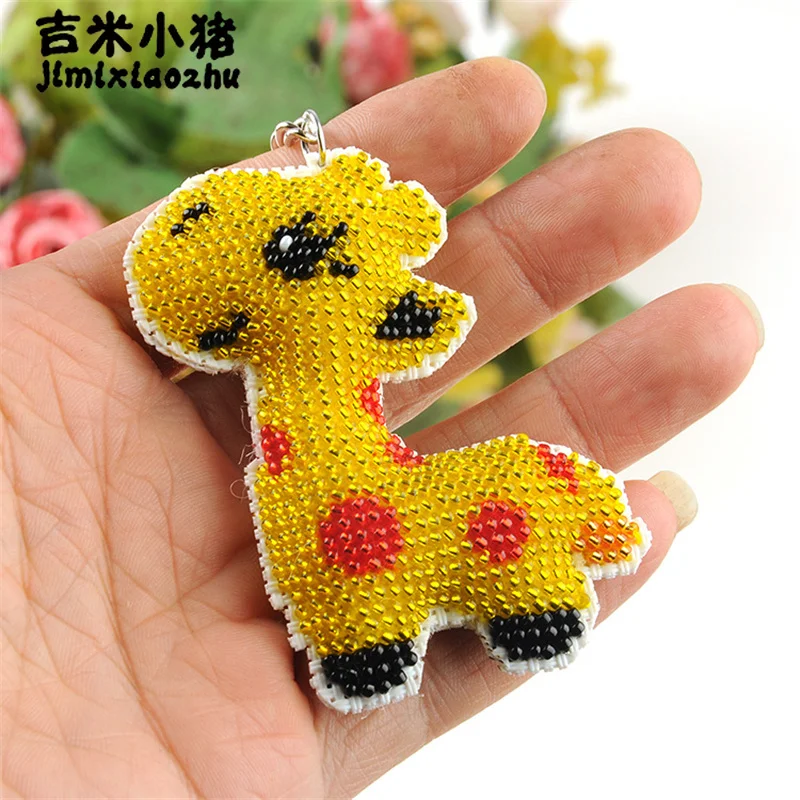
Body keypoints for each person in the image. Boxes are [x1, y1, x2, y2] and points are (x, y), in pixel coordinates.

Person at [0, 59, 762, 798]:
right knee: (347, 592)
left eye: (299, 255)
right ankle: (371, 639)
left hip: (442, 517)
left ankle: (518, 598)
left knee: (420, 581)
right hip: (326, 510)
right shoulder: (270, 417)